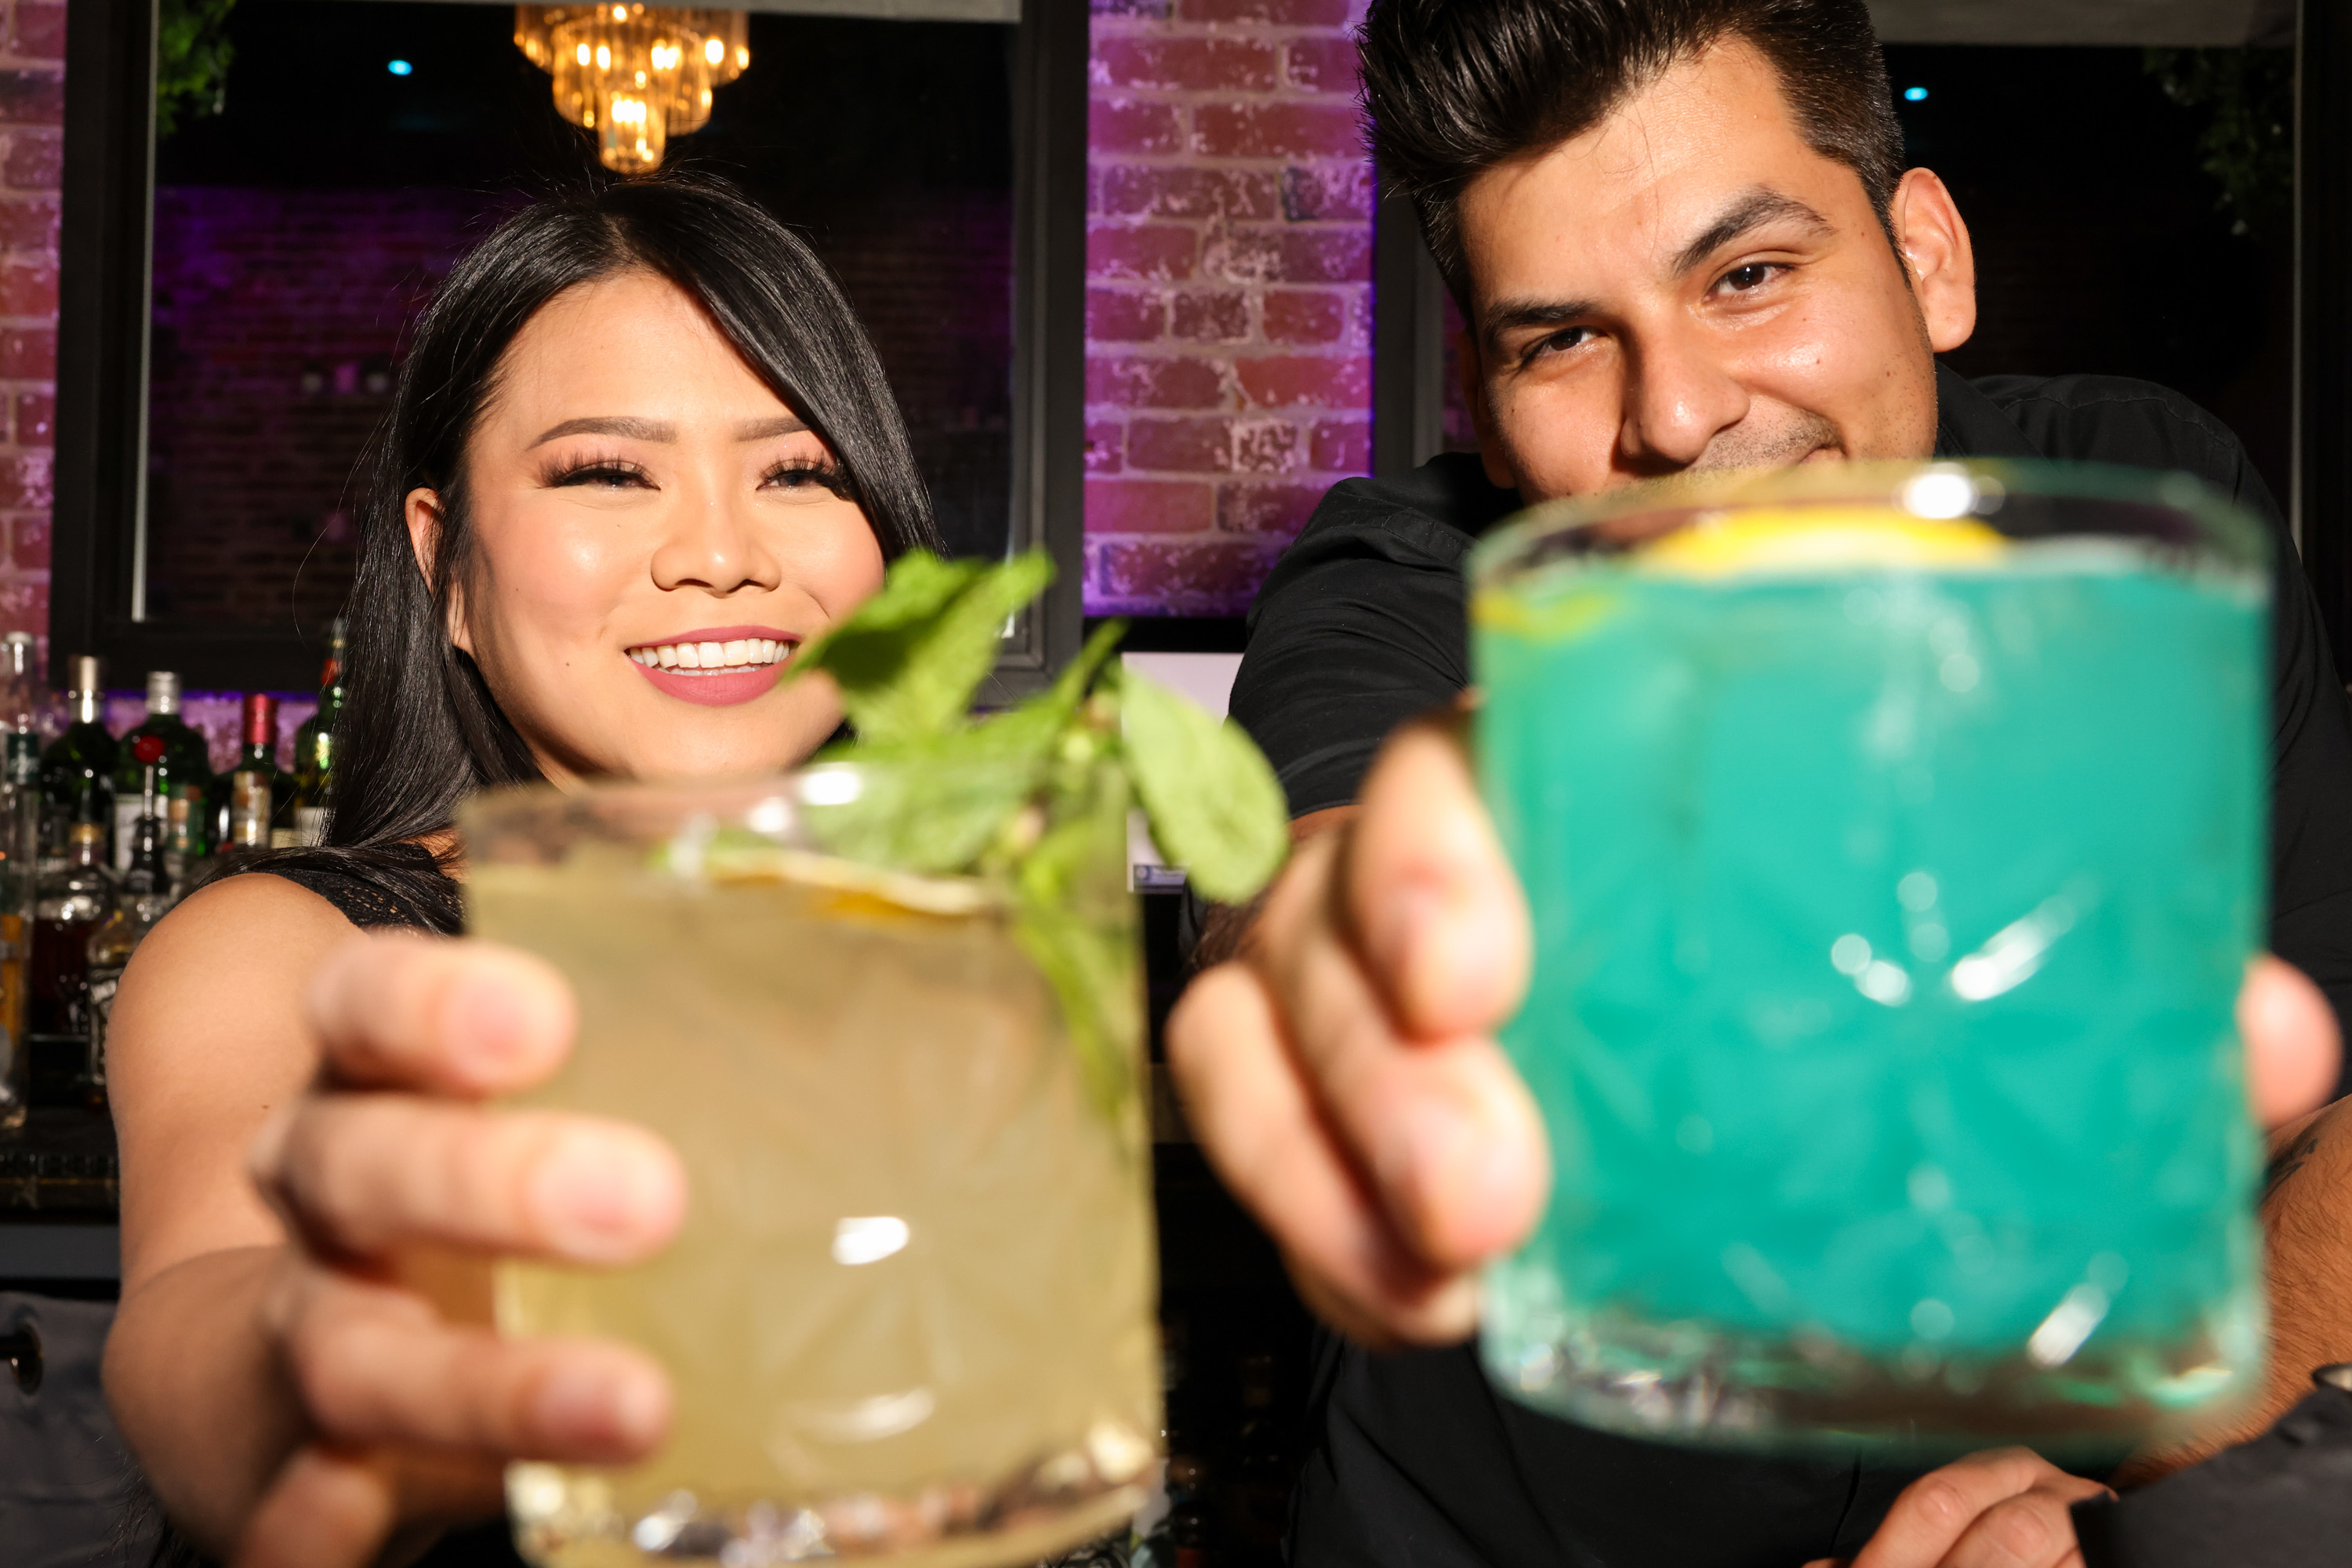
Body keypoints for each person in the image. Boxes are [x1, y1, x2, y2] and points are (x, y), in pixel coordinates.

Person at [1164, 2, 2352, 1565]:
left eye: (1750, 276)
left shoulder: (2147, 521)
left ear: (1927, 259)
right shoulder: (1397, 583)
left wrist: (2169, 1494)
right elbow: (1313, 873)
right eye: (1565, 339)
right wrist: (1362, 961)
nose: (1677, 414)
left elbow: (2323, 1122)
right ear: (1482, 400)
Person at [100, 173, 939, 1566]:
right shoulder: (296, 956)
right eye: (608, 472)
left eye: (797, 472)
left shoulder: (941, 963)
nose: (723, 556)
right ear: (446, 566)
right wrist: (321, 1380)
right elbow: (208, 1299)